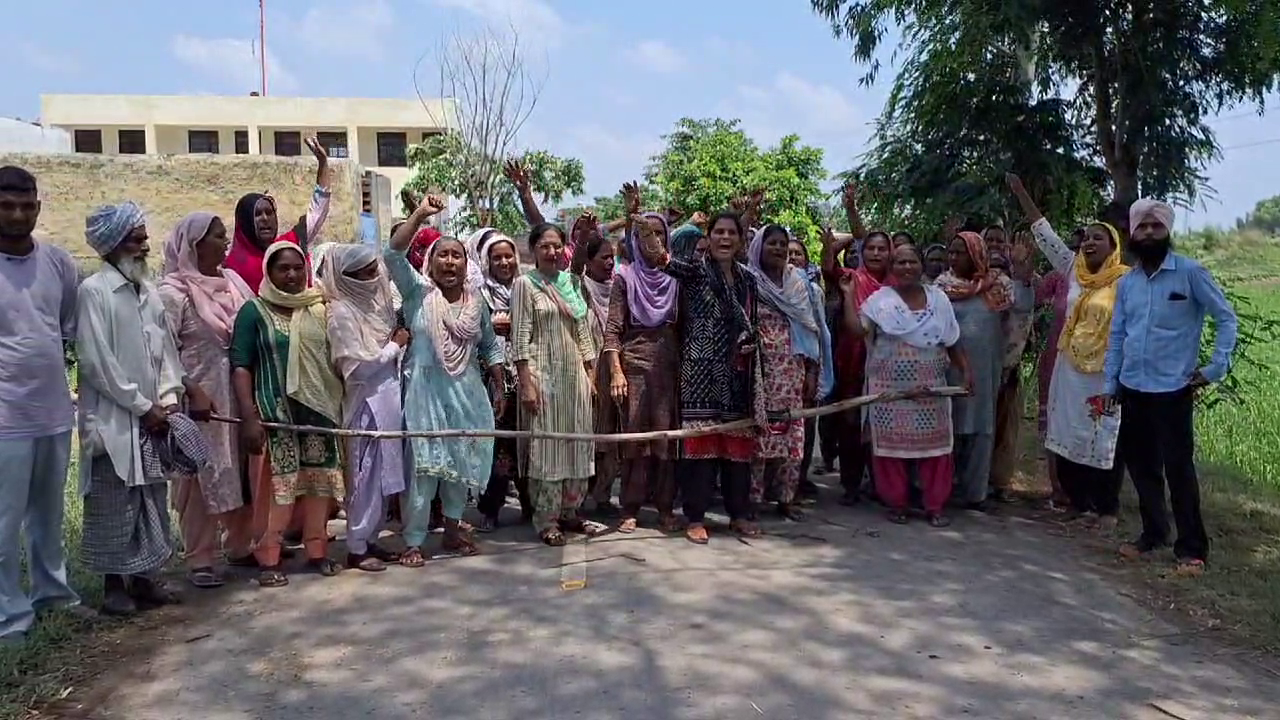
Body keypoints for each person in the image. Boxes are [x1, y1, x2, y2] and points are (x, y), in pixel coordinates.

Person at [1102, 198, 1238, 575]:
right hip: (1132, 386)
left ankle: (1192, 548)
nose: (1148, 233)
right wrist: (1111, 381)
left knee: (1178, 468)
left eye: (1155, 227)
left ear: (1167, 231)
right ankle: (1153, 533)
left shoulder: (1190, 274)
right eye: (1142, 227)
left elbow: (1226, 319)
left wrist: (1215, 367)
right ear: (1132, 232)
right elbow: (1117, 334)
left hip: (1173, 389)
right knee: (1142, 466)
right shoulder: (1127, 282)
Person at [77, 202, 186, 615]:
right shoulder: (94, 292)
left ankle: (144, 580)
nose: (143, 246)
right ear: (113, 244)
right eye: (135, 239)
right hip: (114, 421)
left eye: (143, 237)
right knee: (113, 501)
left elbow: (166, 354)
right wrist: (142, 406)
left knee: (150, 499)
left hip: (154, 417)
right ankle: (112, 588)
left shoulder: (149, 293)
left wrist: (169, 398)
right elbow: (96, 362)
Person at [389, 197, 505, 564]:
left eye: (457, 255)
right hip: (424, 393)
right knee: (424, 467)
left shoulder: (476, 303)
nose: (450, 261)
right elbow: (392, 255)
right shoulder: (416, 293)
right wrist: (420, 216)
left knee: (458, 464)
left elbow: (489, 345)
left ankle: (453, 533)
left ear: (466, 263)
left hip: (467, 392)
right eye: (443, 255)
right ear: (430, 261)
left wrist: (499, 384)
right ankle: (413, 541)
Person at [635, 211, 760, 544]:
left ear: (740, 239)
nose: (724, 238)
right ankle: (695, 517)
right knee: (699, 448)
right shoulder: (694, 271)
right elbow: (659, 258)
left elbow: (753, 322)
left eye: (731, 233)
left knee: (736, 446)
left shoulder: (748, 279)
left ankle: (738, 513)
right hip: (699, 370)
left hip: (736, 372)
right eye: (718, 232)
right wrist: (644, 227)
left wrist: (750, 344)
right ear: (710, 236)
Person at [231, 241, 346, 587]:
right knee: (274, 490)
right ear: (269, 271)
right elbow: (240, 366)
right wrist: (249, 417)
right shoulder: (254, 311)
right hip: (274, 417)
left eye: (298, 267)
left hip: (318, 414)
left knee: (318, 486)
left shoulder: (319, 307)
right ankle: (268, 557)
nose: (293, 274)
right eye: (284, 268)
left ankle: (317, 551)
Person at [0, 166, 82, 640]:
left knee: (47, 514)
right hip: (6, 417)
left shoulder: (58, 263)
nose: (17, 215)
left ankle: (54, 595)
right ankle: (10, 615)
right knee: (4, 521)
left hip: (52, 409)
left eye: (26, 205)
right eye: (7, 205)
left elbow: (67, 327)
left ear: (37, 206)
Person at [158, 212, 256, 589]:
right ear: (194, 243)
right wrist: (190, 389)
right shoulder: (173, 293)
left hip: (237, 394)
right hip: (197, 400)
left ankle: (239, 544)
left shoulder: (232, 283)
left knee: (241, 468)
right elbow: (161, 350)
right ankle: (200, 556)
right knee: (197, 477)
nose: (225, 242)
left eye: (225, 235)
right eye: (217, 236)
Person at [842, 244, 970, 526]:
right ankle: (897, 504)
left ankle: (934, 507)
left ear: (921, 265)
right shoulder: (879, 301)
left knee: (936, 452)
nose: (906, 267)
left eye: (911, 261)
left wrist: (965, 372)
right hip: (889, 393)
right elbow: (856, 331)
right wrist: (849, 295)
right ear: (892, 267)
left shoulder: (939, 300)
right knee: (890, 452)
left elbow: (952, 340)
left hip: (930, 391)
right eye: (899, 262)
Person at [512, 222, 599, 547]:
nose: (551, 252)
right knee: (548, 449)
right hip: (543, 377)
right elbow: (520, 337)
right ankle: (546, 520)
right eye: (544, 246)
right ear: (534, 250)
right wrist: (527, 385)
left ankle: (570, 512)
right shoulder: (525, 284)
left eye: (556, 246)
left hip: (574, 378)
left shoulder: (571, 282)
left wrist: (590, 376)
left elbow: (583, 333)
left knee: (577, 444)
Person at [321, 244, 407, 572]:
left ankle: (370, 538)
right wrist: (393, 348)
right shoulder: (342, 312)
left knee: (384, 476)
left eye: (374, 271)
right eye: (364, 273)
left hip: (387, 398)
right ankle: (356, 545)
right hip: (365, 403)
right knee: (365, 476)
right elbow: (356, 369)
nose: (373, 278)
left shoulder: (375, 304)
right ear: (348, 278)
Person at [935, 230, 1034, 510]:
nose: (953, 258)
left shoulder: (999, 285)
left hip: (984, 371)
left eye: (960, 252)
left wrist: (1024, 275)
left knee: (980, 428)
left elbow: (1023, 309)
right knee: (947, 426)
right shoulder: (942, 287)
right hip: (947, 369)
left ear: (976, 253)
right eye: (951, 252)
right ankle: (944, 489)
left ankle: (975, 493)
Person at [745, 225, 831, 521]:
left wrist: (811, 373)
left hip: (792, 371)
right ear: (760, 247)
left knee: (792, 437)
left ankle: (786, 498)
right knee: (758, 436)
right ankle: (753, 499)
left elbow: (812, 329)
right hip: (759, 372)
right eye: (773, 244)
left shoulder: (799, 285)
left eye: (783, 244)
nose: (779, 249)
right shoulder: (749, 281)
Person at [603, 213, 681, 533]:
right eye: (648, 235)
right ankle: (630, 507)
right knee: (634, 441)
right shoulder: (625, 276)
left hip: (669, 366)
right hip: (634, 365)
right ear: (636, 241)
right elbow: (612, 330)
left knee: (666, 441)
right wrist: (617, 373)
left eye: (660, 235)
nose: (655, 242)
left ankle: (664, 508)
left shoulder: (678, 277)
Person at [822, 228, 895, 505]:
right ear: (862, 254)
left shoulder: (898, 283)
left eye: (881, 248)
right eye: (870, 249)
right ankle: (851, 485)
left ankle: (881, 485)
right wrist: (836, 244)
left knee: (881, 426)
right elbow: (828, 268)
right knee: (851, 426)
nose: (876, 253)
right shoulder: (852, 278)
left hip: (887, 365)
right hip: (852, 360)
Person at [473, 229, 533, 532]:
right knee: (496, 447)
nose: (504, 262)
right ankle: (490, 508)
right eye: (497, 257)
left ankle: (530, 504)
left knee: (528, 443)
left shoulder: (528, 288)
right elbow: (478, 332)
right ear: (487, 261)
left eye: (509, 256)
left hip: (527, 375)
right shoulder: (479, 293)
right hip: (493, 380)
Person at [225, 136, 332, 293]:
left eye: (269, 213)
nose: (265, 219)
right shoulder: (232, 270)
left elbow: (318, 210)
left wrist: (323, 163)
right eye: (257, 214)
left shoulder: (288, 247)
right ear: (245, 222)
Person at [569, 213, 619, 515]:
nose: (610, 263)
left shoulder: (619, 286)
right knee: (586, 437)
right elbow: (573, 269)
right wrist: (583, 238)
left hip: (613, 370)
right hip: (586, 371)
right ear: (589, 261)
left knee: (610, 439)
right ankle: (578, 499)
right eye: (604, 258)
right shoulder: (579, 287)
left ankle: (602, 496)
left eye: (612, 257)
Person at [987, 226, 1039, 503]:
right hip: (975, 368)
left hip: (1008, 366)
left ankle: (999, 482)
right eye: (989, 240)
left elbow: (1024, 308)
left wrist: (1021, 272)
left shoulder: (1021, 280)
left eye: (999, 240)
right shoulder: (967, 281)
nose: (994, 245)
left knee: (1006, 426)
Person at [788, 235, 828, 498]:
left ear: (806, 260)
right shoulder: (769, 287)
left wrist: (813, 370)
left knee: (806, 426)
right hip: (778, 366)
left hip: (807, 364)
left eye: (797, 254)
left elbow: (818, 330)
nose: (791, 257)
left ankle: (799, 481)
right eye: (788, 253)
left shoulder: (814, 293)